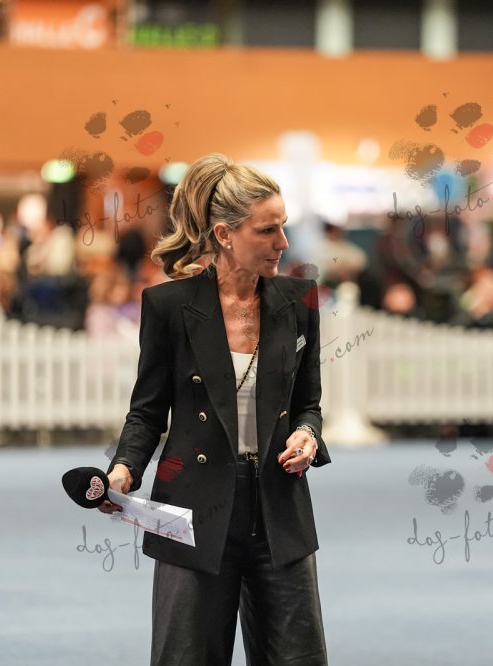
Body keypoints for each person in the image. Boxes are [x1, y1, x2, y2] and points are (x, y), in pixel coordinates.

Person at [101, 153, 330, 665]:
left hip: (279, 511)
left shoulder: (300, 301)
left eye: (283, 226)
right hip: (193, 511)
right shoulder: (169, 306)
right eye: (267, 230)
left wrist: (307, 435)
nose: (283, 242)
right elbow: (147, 412)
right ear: (225, 235)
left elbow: (307, 403)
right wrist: (123, 470)